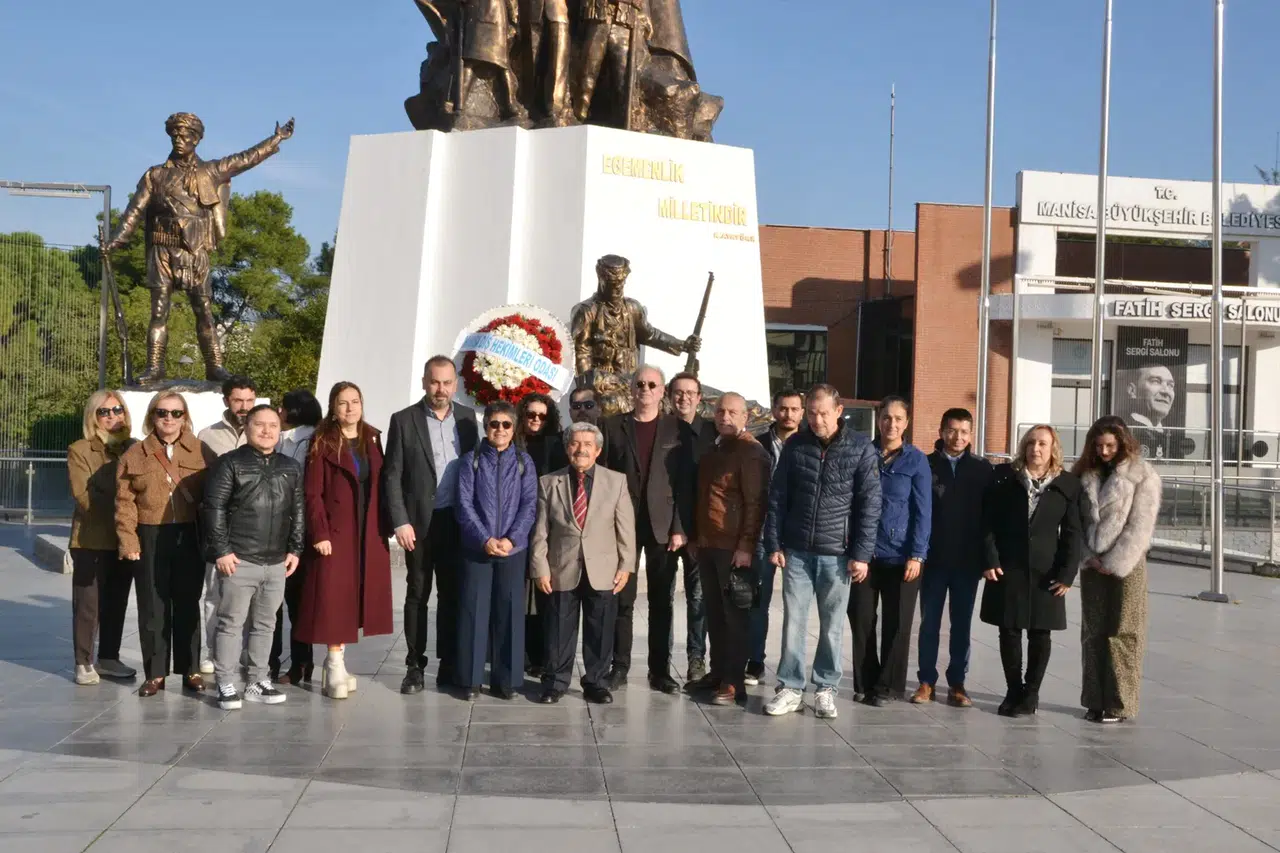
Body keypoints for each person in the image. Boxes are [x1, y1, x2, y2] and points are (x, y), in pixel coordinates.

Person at [762, 384, 881, 719]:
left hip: (838, 554)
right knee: (793, 622)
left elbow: (870, 504)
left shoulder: (860, 448)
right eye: (811, 413)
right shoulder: (795, 445)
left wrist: (862, 553)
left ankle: (826, 687)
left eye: (822, 413)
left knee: (831, 626)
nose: (816, 420)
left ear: (839, 410)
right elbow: (778, 497)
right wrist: (774, 543)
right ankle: (790, 687)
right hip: (797, 551)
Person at [384, 356, 480, 693]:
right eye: (435, 382)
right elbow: (392, 474)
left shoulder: (468, 420)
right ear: (425, 382)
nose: (441, 389)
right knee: (418, 594)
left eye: (447, 383)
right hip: (419, 524)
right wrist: (400, 521)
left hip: (458, 521)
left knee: (453, 595)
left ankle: (449, 664)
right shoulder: (404, 420)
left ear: (456, 385)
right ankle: (414, 665)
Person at [203, 405, 305, 711]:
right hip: (239, 558)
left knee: (266, 624)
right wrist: (221, 550)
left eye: (273, 425)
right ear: (247, 427)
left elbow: (298, 510)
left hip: (275, 561)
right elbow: (214, 508)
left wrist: (296, 549)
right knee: (231, 623)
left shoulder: (290, 467)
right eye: (259, 425)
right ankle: (226, 681)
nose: (266, 431)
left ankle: (259, 680)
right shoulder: (229, 464)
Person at [297, 382, 394, 700]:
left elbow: (385, 483)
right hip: (336, 532)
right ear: (333, 408)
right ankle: (333, 662)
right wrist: (319, 532)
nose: (350, 408)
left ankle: (339, 661)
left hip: (368, 531)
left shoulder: (373, 437)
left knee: (355, 597)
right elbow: (311, 493)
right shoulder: (322, 441)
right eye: (343, 403)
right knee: (333, 599)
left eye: (355, 402)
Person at [115, 392, 216, 697]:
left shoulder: (201, 451)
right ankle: (155, 673)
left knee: (187, 603)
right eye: (162, 413)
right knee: (152, 605)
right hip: (150, 534)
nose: (169, 419)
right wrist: (128, 540)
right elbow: (124, 502)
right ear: (152, 416)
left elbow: (214, 495)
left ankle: (191, 669)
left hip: (188, 534)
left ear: (185, 417)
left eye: (176, 413)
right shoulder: (135, 454)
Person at [599, 364, 691, 693]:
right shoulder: (612, 426)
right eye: (640, 384)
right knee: (621, 600)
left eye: (653, 384)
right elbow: (603, 479)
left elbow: (684, 483)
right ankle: (619, 666)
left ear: (662, 391)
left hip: (663, 527)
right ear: (632, 389)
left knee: (661, 602)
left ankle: (659, 671)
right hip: (621, 527)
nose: (646, 390)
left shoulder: (677, 429)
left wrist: (680, 527)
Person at [529, 421, 636, 704]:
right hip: (560, 568)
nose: (581, 449)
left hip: (603, 569)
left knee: (600, 630)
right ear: (567, 448)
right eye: (575, 443)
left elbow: (626, 528)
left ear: (598, 450)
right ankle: (555, 682)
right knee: (558, 631)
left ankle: (596, 683)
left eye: (588, 445)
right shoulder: (549, 482)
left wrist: (626, 566)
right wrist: (540, 568)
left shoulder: (616, 481)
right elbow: (540, 532)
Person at [981, 425, 1083, 717]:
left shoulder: (1068, 485)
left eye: (1042, 444)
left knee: (1040, 634)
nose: (1036, 449)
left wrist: (1067, 574)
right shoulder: (1004, 478)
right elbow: (988, 523)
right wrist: (989, 560)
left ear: (1053, 449)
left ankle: (1031, 693)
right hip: (1007, 568)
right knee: (1009, 631)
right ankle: (1013, 691)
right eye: (1031, 443)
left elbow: (1073, 534)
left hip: (1046, 572)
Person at [1073, 416, 1160, 724]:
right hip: (1092, 565)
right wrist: (1087, 557)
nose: (1104, 452)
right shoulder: (1084, 474)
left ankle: (1120, 704)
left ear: (1123, 443)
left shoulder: (1142, 475)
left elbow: (1141, 526)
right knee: (1092, 632)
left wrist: (1114, 561)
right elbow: (1075, 524)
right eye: (1098, 446)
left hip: (1127, 565)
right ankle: (1094, 701)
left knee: (1124, 631)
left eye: (1110, 445)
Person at [849, 396, 931, 707]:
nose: (891, 424)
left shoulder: (916, 460)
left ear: (907, 422)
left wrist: (917, 554)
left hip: (902, 557)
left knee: (897, 624)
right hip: (865, 556)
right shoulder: (863, 453)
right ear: (878, 419)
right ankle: (864, 683)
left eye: (898, 418)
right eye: (886, 417)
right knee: (861, 619)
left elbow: (924, 511)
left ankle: (887, 686)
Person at [455, 402, 539, 699]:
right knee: (474, 612)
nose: (499, 430)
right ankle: (472, 679)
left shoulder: (524, 462)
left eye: (506, 424)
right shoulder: (471, 461)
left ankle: (506, 680)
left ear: (514, 429)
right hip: (478, 549)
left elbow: (530, 504)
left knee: (510, 613)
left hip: (512, 551)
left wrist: (512, 539)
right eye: (494, 424)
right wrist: (484, 538)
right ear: (485, 426)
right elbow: (464, 505)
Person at [691, 392, 769, 706]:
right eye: (720, 411)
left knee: (735, 616)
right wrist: (698, 538)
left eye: (732, 412)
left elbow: (755, 503)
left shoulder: (751, 452)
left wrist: (746, 546)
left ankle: (734, 681)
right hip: (709, 544)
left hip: (733, 547)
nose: (725, 417)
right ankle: (718, 671)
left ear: (745, 417)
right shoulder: (716, 448)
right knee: (714, 613)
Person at [912, 408, 993, 708]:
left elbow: (989, 520)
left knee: (961, 625)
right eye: (952, 430)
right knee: (929, 623)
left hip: (967, 563)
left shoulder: (982, 469)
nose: (958, 437)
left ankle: (957, 683)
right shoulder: (925, 464)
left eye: (964, 431)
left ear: (971, 435)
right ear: (941, 431)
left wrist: (988, 559)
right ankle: (926, 681)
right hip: (932, 560)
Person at [67, 390, 138, 685]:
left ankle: (109, 657)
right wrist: (125, 505)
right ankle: (84, 661)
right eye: (104, 412)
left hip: (125, 539)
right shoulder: (81, 449)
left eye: (117, 409)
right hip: (92, 539)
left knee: (116, 601)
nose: (112, 416)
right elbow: (84, 496)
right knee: (88, 605)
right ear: (93, 417)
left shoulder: (134, 447)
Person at [196, 375, 258, 676]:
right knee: (215, 594)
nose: (244, 407)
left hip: (255, 529)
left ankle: (247, 652)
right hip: (219, 528)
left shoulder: (264, 431)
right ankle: (212, 651)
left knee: (251, 595)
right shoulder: (207, 436)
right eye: (238, 400)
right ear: (226, 401)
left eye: (249, 400)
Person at [744, 388, 804, 686]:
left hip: (800, 534)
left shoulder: (810, 444)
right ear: (774, 410)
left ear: (801, 413)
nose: (788, 414)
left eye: (794, 409)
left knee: (797, 605)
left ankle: (793, 669)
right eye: (783, 408)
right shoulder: (757, 444)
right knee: (759, 600)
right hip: (762, 532)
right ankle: (755, 661)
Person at [271, 388, 323, 684]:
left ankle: (298, 663)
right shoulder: (284, 438)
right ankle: (291, 662)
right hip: (280, 527)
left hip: (295, 528)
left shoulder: (306, 441)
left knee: (293, 602)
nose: (279, 413)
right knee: (288, 602)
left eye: (282, 408)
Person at [515, 392, 568, 677]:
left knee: (545, 594)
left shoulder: (557, 446)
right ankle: (519, 653)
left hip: (547, 526)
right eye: (531, 414)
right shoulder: (513, 443)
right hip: (516, 526)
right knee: (520, 593)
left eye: (542, 416)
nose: (536, 420)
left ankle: (541, 655)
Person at [664, 371, 711, 686]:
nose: (683, 398)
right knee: (663, 598)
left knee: (697, 599)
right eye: (678, 392)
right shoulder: (660, 428)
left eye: (689, 393)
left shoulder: (710, 432)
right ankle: (661, 663)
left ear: (699, 397)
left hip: (699, 532)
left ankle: (697, 660)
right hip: (663, 529)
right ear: (669, 395)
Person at [1123, 364, 1179, 460]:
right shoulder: (1123, 432)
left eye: (1170, 385)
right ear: (1132, 390)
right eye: (1156, 381)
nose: (1166, 391)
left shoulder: (1173, 438)